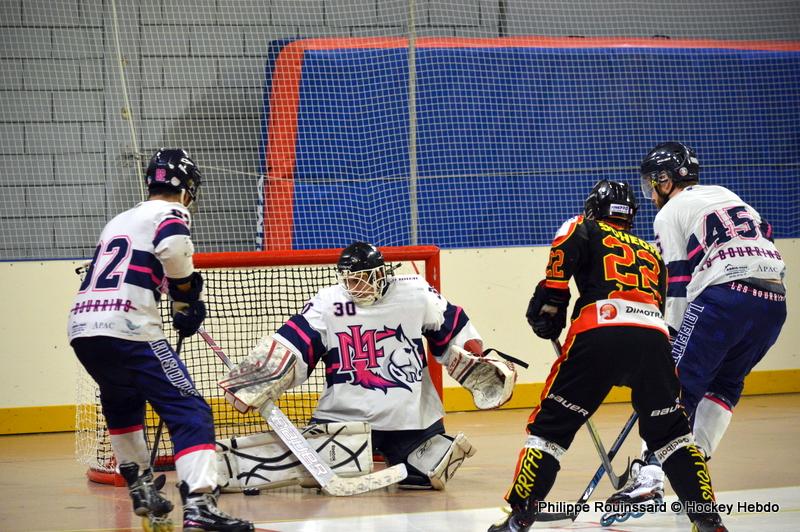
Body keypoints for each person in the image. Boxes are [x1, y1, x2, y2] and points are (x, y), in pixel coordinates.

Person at [488, 180, 727, 532]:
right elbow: (657, 305)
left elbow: (561, 259)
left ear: (594, 208)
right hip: (653, 340)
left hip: (598, 333)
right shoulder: (651, 252)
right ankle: (706, 519)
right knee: (673, 436)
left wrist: (552, 303)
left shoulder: (582, 226)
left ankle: (520, 516)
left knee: (550, 429)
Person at [220, 241, 516, 490]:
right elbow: (295, 343)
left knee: (431, 472)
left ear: (381, 274)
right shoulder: (328, 303)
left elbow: (453, 329)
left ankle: (410, 452)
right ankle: (218, 469)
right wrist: (255, 379)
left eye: (362, 278)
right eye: (350, 280)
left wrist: (478, 361)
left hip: (410, 420)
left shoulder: (415, 294)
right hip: (345, 418)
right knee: (306, 472)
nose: (356, 286)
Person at [68, 148, 254, 532]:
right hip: (129, 327)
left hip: (83, 328)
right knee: (190, 411)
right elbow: (173, 249)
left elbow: (138, 268)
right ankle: (200, 505)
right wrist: (187, 298)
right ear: (186, 188)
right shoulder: (170, 212)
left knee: (122, 399)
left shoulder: (120, 219)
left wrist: (176, 298)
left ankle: (141, 486)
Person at [608, 142, 787, 505]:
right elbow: (765, 235)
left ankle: (651, 475)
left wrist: (670, 336)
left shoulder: (670, 212)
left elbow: (677, 281)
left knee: (671, 385)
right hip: (773, 302)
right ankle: (693, 471)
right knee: (724, 386)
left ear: (665, 180)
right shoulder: (729, 196)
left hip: (724, 298)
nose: (651, 192)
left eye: (652, 183)